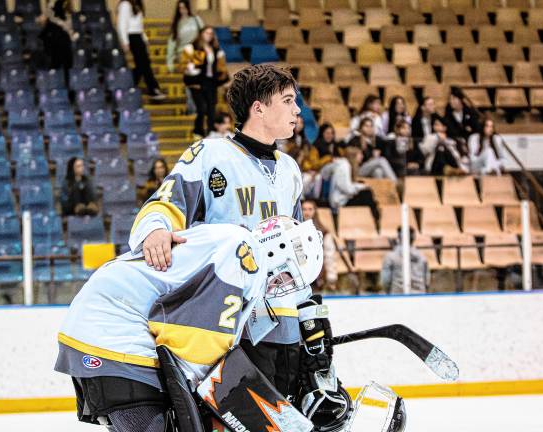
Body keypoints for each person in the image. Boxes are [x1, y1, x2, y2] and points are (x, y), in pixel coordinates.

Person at [129, 64, 326, 399]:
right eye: (289, 100)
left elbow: (296, 253)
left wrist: (310, 317)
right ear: (259, 108)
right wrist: (155, 230)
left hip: (284, 322)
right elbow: (166, 202)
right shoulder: (210, 154)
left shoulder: (291, 169)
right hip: (231, 323)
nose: (297, 110)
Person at [55, 216, 324, 432]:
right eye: (287, 276)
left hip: (106, 325)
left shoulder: (230, 243)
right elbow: (196, 341)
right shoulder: (244, 253)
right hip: (113, 328)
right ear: (277, 250)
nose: (282, 286)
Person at [181, 26, 229, 137]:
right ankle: (198, 131)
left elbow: (220, 67)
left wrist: (222, 77)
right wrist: (190, 69)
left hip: (211, 82)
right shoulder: (194, 48)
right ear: (201, 34)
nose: (209, 35)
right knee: (201, 108)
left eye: (211, 33)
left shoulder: (216, 49)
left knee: (212, 109)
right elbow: (189, 67)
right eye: (206, 33)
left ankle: (210, 133)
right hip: (197, 82)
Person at [116, 0, 166, 99]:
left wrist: (144, 38)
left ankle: (129, 85)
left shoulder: (137, 4)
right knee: (144, 64)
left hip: (138, 35)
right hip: (131, 36)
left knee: (142, 65)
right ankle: (153, 88)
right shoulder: (125, 4)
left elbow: (139, 25)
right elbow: (121, 24)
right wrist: (125, 41)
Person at [328, 146, 380, 221]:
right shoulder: (344, 166)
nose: (362, 157)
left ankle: (374, 217)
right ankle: (376, 219)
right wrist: (362, 187)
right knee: (367, 194)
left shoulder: (347, 166)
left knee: (366, 193)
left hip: (345, 198)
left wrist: (361, 186)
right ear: (353, 156)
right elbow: (347, 189)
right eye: (360, 154)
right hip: (340, 202)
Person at [302, 199, 341, 291]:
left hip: (318, 274)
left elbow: (329, 256)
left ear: (315, 211)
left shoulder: (324, 233)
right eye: (304, 209)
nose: (307, 212)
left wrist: (331, 278)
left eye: (310, 209)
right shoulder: (294, 230)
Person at [380, 227, 430, 294]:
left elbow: (386, 280)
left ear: (398, 238)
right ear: (413, 238)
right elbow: (426, 281)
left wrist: (389, 294)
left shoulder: (390, 257)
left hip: (397, 296)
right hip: (419, 296)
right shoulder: (422, 257)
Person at [37, 0, 75, 81]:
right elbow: (41, 21)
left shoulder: (66, 8)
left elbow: (69, 24)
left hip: (64, 45)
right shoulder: (50, 11)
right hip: (53, 46)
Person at [166, 0, 203, 73]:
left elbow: (204, 35)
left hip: (197, 50)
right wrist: (169, 61)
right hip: (183, 52)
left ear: (188, 8)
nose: (182, 10)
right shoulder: (177, 23)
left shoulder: (196, 19)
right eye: (180, 8)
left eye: (184, 7)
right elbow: (171, 43)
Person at [300, 123, 335, 198]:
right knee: (310, 178)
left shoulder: (334, 146)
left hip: (320, 173)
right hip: (310, 170)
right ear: (322, 134)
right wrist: (328, 158)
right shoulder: (316, 146)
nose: (330, 135)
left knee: (319, 177)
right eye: (327, 133)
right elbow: (314, 164)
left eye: (332, 133)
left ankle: (318, 200)